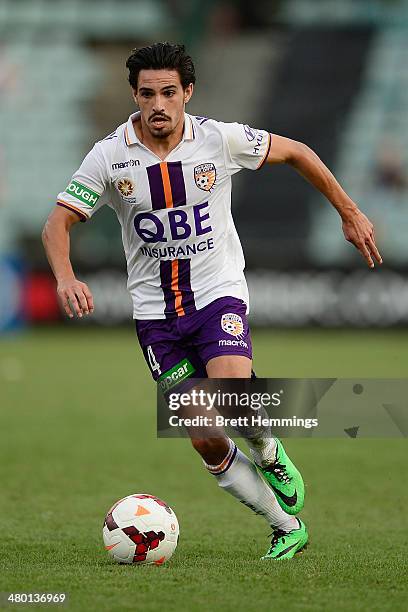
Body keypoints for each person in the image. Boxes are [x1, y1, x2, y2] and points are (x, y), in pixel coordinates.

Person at [42, 42, 382, 560]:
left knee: (230, 388)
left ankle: (269, 449)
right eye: (148, 93)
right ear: (134, 95)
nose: (159, 104)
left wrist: (349, 211)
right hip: (156, 316)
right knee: (204, 436)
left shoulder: (219, 140)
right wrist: (65, 277)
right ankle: (284, 525)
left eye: (169, 92)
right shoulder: (109, 156)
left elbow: (296, 152)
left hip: (217, 292)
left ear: (187, 93)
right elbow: (57, 223)